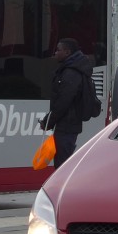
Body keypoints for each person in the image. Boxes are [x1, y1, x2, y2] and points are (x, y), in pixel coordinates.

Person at [42, 37, 94, 168]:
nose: (55, 53)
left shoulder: (71, 73)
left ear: (67, 52)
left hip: (67, 125)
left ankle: (61, 188)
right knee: (63, 161)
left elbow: (63, 101)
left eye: (58, 50)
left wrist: (48, 121)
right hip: (69, 125)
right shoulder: (73, 69)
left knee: (62, 165)